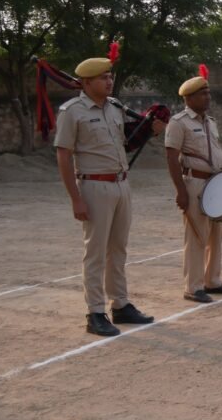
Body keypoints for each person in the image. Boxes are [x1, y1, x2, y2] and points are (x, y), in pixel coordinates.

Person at [54, 50, 160, 336]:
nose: (109, 81)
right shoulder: (72, 112)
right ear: (86, 82)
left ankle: (121, 304)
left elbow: (128, 142)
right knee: (96, 252)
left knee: (118, 249)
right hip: (94, 185)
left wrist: (152, 127)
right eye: (103, 77)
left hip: (121, 183)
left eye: (110, 76)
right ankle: (96, 312)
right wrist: (75, 198)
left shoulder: (115, 108)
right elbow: (63, 156)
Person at [165, 67, 222, 303]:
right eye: (202, 94)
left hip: (216, 184)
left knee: (216, 234)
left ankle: (212, 280)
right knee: (197, 235)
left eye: (208, 93)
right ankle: (193, 286)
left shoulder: (210, 122)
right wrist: (180, 191)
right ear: (188, 98)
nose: (207, 97)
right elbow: (171, 157)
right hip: (195, 183)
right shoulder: (179, 123)